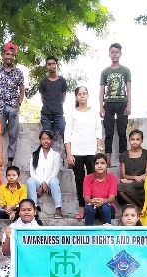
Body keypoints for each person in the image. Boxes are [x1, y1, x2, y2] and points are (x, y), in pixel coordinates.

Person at [65, 86, 104, 219]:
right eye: (80, 94)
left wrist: (99, 150)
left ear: (88, 95)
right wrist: (69, 153)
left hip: (92, 151)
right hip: (76, 152)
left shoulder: (94, 112)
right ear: (76, 97)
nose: (82, 96)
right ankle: (82, 208)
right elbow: (67, 134)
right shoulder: (72, 113)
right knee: (80, 180)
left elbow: (98, 131)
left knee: (94, 179)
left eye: (84, 93)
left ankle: (94, 208)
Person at [0, 42, 25, 165]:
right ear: (3, 55)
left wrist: (19, 103)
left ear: (14, 57)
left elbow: (22, 89)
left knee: (13, 134)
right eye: (8, 54)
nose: (10, 57)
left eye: (12, 55)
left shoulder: (18, 72)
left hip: (13, 105)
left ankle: (10, 160)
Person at [99, 42, 132, 164]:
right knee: (109, 132)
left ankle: (122, 159)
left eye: (116, 52)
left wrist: (129, 104)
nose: (114, 54)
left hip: (122, 103)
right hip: (108, 103)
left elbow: (129, 89)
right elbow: (102, 90)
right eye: (112, 52)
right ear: (109, 54)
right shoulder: (105, 71)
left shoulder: (125, 70)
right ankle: (108, 159)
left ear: (120, 54)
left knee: (122, 131)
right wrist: (101, 107)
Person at [0, 165, 27, 246]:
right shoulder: (2, 188)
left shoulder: (23, 187)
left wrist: (13, 209)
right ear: (6, 177)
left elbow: (22, 204)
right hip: (5, 211)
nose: (11, 177)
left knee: (21, 212)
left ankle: (14, 238)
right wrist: (8, 210)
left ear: (18, 176)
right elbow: (2, 204)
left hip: (17, 211)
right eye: (9, 175)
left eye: (14, 175)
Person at [27, 130, 63, 218]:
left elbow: (55, 172)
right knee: (30, 181)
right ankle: (34, 208)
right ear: (40, 140)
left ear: (52, 140)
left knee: (54, 181)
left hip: (50, 180)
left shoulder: (56, 155)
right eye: (43, 139)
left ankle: (58, 208)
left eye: (48, 139)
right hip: (38, 180)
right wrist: (42, 183)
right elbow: (32, 172)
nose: (46, 141)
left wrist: (45, 183)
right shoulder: (34, 154)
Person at [117, 129, 147, 208]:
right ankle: (136, 207)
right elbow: (123, 175)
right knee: (120, 187)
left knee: (129, 186)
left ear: (142, 140)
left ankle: (143, 207)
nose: (135, 142)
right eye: (132, 139)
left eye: (138, 139)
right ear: (129, 140)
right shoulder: (123, 155)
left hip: (142, 182)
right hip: (129, 182)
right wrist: (134, 178)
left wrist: (139, 178)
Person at [39, 56, 68, 149]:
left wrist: (56, 105)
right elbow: (42, 98)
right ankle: (46, 157)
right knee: (46, 139)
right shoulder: (43, 82)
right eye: (49, 64)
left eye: (53, 63)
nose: (51, 66)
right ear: (46, 66)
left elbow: (63, 97)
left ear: (56, 64)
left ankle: (69, 156)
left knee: (66, 135)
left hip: (58, 114)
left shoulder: (62, 81)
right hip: (46, 115)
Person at [83, 155, 118, 226]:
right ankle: (89, 232)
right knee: (89, 208)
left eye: (102, 163)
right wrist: (93, 201)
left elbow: (112, 198)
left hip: (108, 209)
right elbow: (86, 198)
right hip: (93, 206)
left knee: (105, 207)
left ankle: (107, 232)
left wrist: (103, 201)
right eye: (97, 163)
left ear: (106, 165)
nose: (99, 166)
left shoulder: (112, 178)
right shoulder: (88, 178)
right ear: (93, 165)